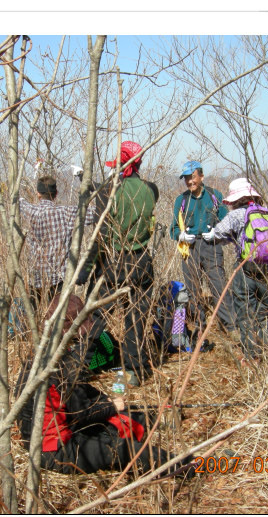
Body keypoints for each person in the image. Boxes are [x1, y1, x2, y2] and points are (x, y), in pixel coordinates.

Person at [16, 295, 192, 478]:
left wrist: (107, 402)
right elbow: (80, 413)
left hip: (61, 433)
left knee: (124, 418)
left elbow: (79, 394)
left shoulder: (44, 355)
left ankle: (157, 419)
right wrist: (111, 406)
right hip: (56, 450)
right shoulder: (56, 368)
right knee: (121, 447)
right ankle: (188, 467)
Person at [83, 141, 159, 387]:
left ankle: (80, 368)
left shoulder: (108, 192)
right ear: (138, 163)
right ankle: (134, 372)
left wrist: (85, 271)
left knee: (94, 317)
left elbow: (100, 235)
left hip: (113, 263)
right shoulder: (151, 189)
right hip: (142, 263)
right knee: (135, 319)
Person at [209, 178, 268, 361]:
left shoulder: (237, 215)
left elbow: (218, 233)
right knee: (263, 315)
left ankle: (253, 356)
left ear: (236, 200)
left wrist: (213, 234)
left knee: (245, 315)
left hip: (246, 269)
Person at [170, 161, 237, 336]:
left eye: (192, 177)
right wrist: (181, 235)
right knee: (192, 288)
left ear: (201, 176)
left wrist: (217, 233)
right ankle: (199, 325)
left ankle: (230, 325)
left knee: (219, 285)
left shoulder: (215, 196)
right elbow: (174, 228)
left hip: (212, 247)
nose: (189, 182)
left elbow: (226, 222)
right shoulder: (181, 200)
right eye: (186, 178)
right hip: (189, 249)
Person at [19, 174, 96, 306]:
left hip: (36, 275)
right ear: (56, 194)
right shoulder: (65, 213)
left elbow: (19, 202)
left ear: (38, 193)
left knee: (32, 313)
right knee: (58, 315)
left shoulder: (30, 211)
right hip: (59, 278)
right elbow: (96, 212)